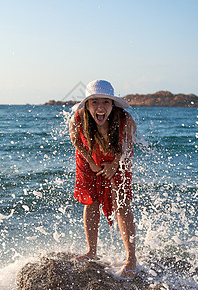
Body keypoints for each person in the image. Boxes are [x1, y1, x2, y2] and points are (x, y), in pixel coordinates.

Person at [69, 79, 137, 280]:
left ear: (112, 105)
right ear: (88, 105)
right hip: (88, 155)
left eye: (106, 102)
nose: (100, 107)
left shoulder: (125, 120)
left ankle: (131, 258)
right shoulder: (78, 118)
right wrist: (91, 162)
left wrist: (115, 163)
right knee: (91, 200)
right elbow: (75, 140)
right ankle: (91, 251)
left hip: (119, 155)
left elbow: (128, 145)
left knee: (122, 204)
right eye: (95, 102)